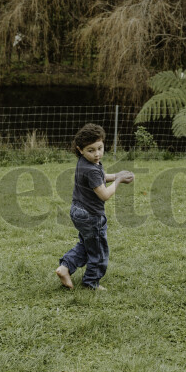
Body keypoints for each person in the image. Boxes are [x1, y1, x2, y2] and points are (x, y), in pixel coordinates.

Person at [55, 123, 134, 291]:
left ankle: (65, 268)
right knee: (98, 250)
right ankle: (91, 283)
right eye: (91, 150)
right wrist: (118, 181)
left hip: (77, 210)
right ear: (80, 149)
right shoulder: (91, 169)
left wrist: (116, 175)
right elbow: (104, 195)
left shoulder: (85, 163)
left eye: (100, 148)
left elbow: (100, 177)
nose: (97, 154)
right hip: (91, 215)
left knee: (86, 244)